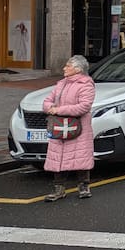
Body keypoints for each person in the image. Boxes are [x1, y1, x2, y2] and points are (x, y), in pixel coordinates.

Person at [42, 55, 96, 201]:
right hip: (60, 127)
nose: (64, 68)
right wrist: (50, 108)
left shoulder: (86, 85)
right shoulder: (61, 84)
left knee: (80, 156)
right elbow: (47, 101)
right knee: (57, 157)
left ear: (77, 69)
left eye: (67, 66)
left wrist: (58, 110)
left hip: (79, 127)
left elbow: (84, 107)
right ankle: (58, 189)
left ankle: (84, 186)